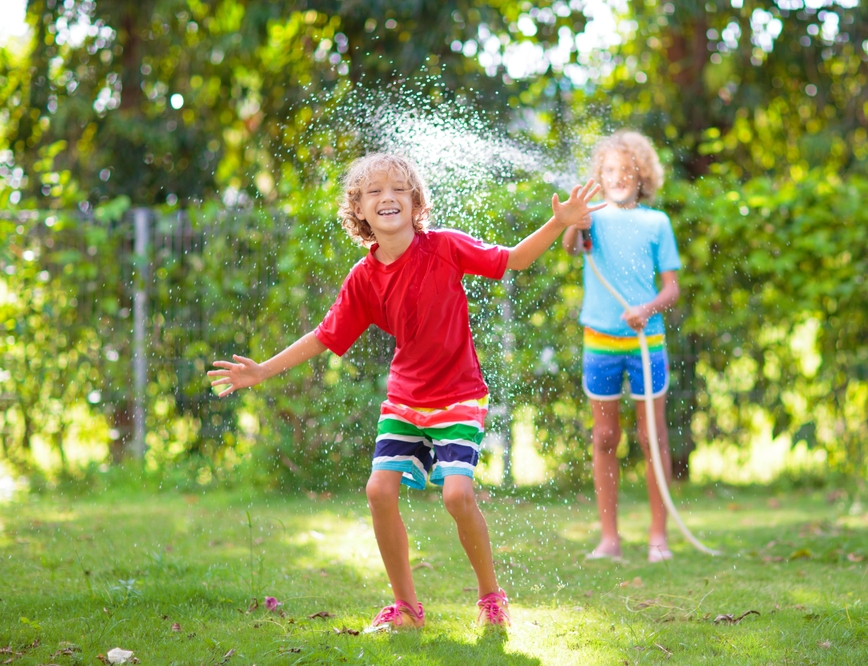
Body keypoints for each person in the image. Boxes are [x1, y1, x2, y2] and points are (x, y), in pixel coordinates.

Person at [208, 153, 603, 630]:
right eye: (373, 192)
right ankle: (407, 609)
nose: (387, 197)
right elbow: (324, 336)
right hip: (405, 401)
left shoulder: (445, 247)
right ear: (360, 210)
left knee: (457, 496)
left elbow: (513, 259)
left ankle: (491, 596)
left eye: (398, 189)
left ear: (416, 202)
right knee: (379, 489)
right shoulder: (364, 278)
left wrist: (555, 223)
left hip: (459, 397)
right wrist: (263, 370)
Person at [562, 131, 681, 563]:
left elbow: (671, 289)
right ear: (599, 175)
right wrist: (574, 223)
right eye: (609, 170)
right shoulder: (590, 217)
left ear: (642, 175)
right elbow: (571, 247)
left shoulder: (657, 223)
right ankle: (609, 540)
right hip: (600, 343)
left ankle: (657, 537)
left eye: (626, 170)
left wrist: (647, 308)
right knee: (606, 437)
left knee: (652, 437)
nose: (617, 177)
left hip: (645, 342)